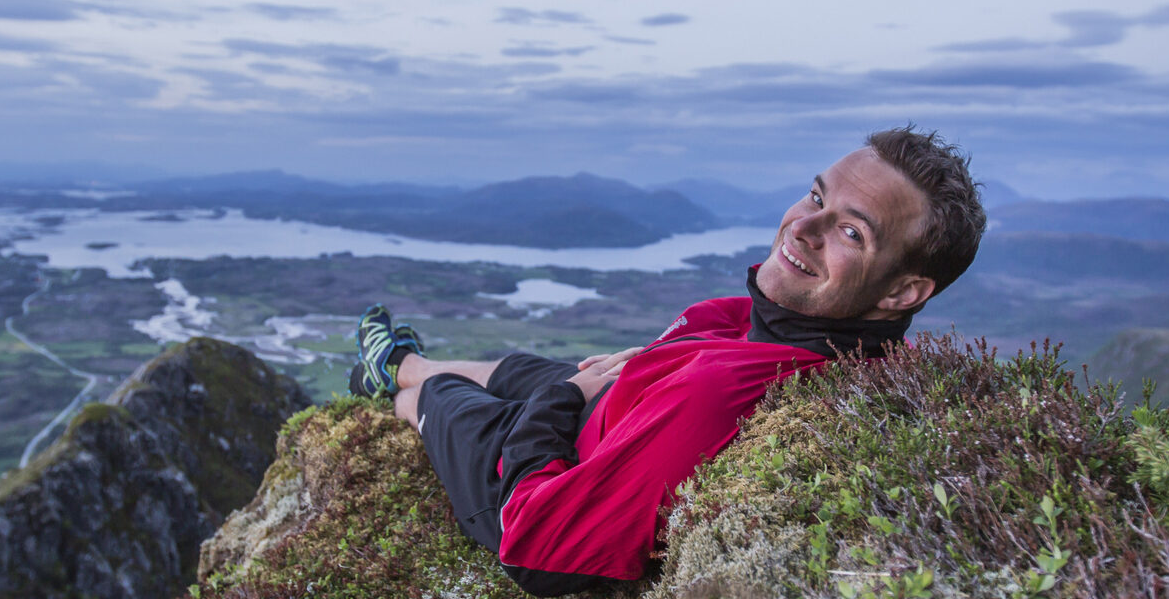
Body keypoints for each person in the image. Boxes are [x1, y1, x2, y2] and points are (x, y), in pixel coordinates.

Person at [346, 126, 987, 596]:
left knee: (446, 402)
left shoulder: (723, 388)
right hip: (602, 424)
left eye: (853, 232)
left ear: (904, 292)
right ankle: (401, 359)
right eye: (816, 197)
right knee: (528, 369)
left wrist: (560, 402)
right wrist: (579, 387)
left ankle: (400, 382)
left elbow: (538, 547)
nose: (802, 227)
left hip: (533, 481)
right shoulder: (749, 325)